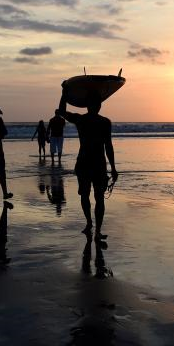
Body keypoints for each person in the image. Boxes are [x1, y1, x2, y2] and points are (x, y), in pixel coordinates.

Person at [58, 93, 118, 239]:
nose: (97, 106)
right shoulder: (105, 122)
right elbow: (108, 146)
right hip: (98, 164)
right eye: (97, 104)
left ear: (88, 106)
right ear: (98, 106)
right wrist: (113, 168)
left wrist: (65, 94)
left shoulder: (80, 119)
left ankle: (91, 224)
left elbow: (61, 111)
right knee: (98, 198)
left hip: (85, 163)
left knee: (86, 196)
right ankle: (95, 229)